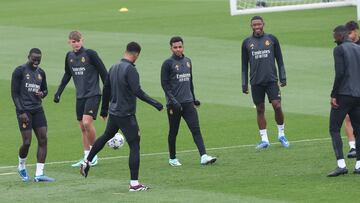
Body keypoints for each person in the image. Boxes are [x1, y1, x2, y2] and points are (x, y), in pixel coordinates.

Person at [80, 42, 163, 192]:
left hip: (114, 112)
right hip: (126, 115)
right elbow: (137, 91)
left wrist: (104, 110)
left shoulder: (114, 67)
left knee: (106, 135)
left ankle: (87, 160)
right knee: (135, 146)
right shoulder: (130, 69)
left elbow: (106, 89)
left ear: (126, 51)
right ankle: (134, 184)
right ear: (136, 54)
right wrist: (156, 103)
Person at [54, 31, 107, 167]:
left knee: (87, 123)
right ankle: (86, 157)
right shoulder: (69, 56)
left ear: (82, 40)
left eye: (78, 41)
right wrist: (59, 91)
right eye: (73, 41)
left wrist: (109, 93)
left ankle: (93, 154)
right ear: (69, 42)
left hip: (93, 94)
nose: (76, 43)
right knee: (82, 127)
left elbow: (104, 73)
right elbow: (67, 74)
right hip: (80, 96)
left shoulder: (90, 54)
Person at [161, 36, 217, 167]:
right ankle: (172, 159)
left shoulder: (188, 61)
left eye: (180, 47)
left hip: (188, 103)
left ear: (183, 47)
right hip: (173, 105)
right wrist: (173, 100)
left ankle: (203, 156)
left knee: (196, 129)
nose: (178, 49)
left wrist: (194, 98)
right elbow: (164, 85)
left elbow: (190, 82)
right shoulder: (167, 63)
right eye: (175, 47)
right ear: (171, 48)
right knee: (173, 132)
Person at [241, 16, 289, 149]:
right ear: (251, 26)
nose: (257, 27)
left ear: (263, 24)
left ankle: (281, 134)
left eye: (259, 24)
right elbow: (244, 65)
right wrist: (244, 84)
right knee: (260, 109)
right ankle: (264, 140)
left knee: (277, 105)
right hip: (256, 82)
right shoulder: (246, 42)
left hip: (271, 80)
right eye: (254, 25)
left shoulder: (272, 39)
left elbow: (279, 59)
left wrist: (283, 77)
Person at [11, 48, 55, 182]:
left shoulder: (41, 73)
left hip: (38, 109)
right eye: (34, 59)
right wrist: (21, 112)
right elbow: (14, 93)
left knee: (43, 139)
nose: (36, 62)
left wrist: (42, 94)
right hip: (24, 111)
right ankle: (21, 166)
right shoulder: (20, 71)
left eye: (38, 60)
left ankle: (39, 174)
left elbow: (45, 90)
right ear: (28, 57)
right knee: (27, 142)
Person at [327, 25, 360, 177]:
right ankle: (359, 165)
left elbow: (339, 73)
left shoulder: (339, 50)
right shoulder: (357, 48)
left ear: (340, 35)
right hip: (358, 95)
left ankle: (341, 165)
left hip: (344, 94)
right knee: (358, 129)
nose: (334, 39)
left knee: (334, 128)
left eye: (335, 36)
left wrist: (334, 94)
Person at [343, 20, 360, 159]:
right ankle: (353, 147)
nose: (348, 36)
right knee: (348, 116)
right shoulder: (345, 46)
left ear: (356, 31)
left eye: (350, 33)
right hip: (351, 87)